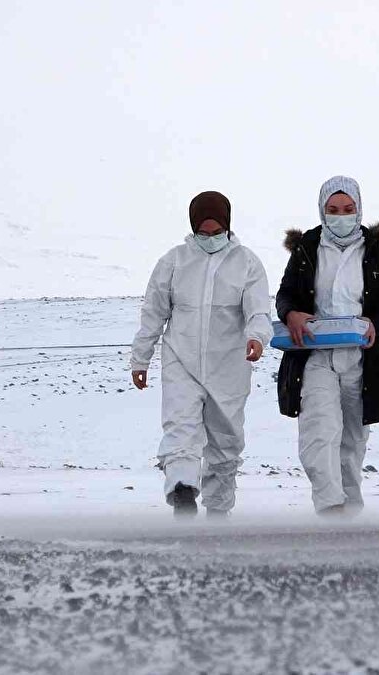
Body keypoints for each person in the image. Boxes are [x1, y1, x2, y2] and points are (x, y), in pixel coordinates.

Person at [130, 190, 273, 517]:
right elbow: (153, 313)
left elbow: (259, 311)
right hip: (181, 360)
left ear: (227, 226)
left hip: (229, 365)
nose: (210, 238)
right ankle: (182, 492)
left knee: (225, 441)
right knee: (180, 428)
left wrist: (257, 337)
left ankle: (218, 514)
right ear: (193, 227)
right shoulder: (174, 261)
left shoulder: (247, 263)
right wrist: (141, 358)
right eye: (203, 232)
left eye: (216, 232)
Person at [275, 176, 379, 516]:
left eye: (348, 209)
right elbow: (285, 293)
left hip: (361, 359)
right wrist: (291, 314)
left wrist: (375, 324)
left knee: (352, 439)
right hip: (315, 355)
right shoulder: (306, 248)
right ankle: (330, 507)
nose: (340, 216)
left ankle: (351, 511)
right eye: (332, 210)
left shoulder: (376, 251)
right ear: (322, 210)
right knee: (319, 432)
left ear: (359, 208)